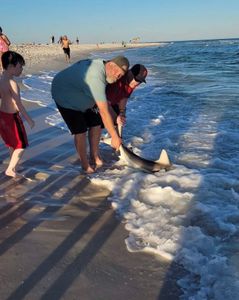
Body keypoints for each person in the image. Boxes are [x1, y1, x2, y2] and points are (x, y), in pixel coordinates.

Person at [51, 55, 129, 174]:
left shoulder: (105, 71)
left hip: (83, 94)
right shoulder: (96, 76)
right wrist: (114, 136)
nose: (119, 77)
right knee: (81, 130)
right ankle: (84, 163)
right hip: (64, 95)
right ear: (112, 65)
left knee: (96, 123)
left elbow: (105, 103)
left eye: (121, 76)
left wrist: (116, 117)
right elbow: (103, 111)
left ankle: (94, 155)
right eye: (119, 73)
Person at [0, 51, 35, 177]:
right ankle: (10, 169)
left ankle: (13, 164)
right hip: (12, 118)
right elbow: (18, 104)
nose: (21, 70)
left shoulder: (1, 79)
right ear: (10, 67)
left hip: (2, 116)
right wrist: (29, 120)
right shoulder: (12, 83)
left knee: (12, 143)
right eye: (20, 67)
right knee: (21, 145)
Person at [106, 64, 148, 128]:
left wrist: (122, 113)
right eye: (137, 80)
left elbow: (124, 97)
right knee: (114, 119)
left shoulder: (131, 83)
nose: (138, 83)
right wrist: (116, 118)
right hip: (97, 102)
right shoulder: (118, 81)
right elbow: (105, 104)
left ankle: (118, 136)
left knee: (121, 116)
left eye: (140, 81)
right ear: (130, 74)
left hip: (111, 102)